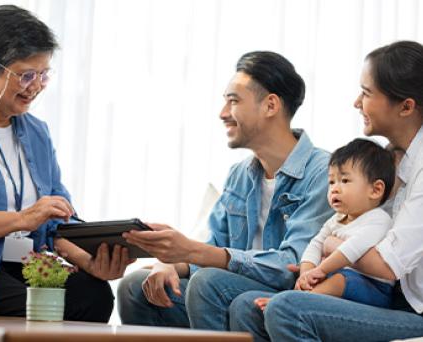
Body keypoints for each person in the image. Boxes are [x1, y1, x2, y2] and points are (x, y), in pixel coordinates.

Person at [117, 51, 333, 330]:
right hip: (226, 290)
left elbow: (291, 265)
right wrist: (172, 262)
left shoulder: (323, 172)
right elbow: (212, 247)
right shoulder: (240, 175)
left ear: (270, 105)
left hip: (281, 298)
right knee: (136, 285)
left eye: (233, 101)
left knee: (209, 283)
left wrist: (192, 252)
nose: (222, 113)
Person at [231, 40, 423, 342]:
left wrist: (330, 246)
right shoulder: (390, 159)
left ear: (406, 106)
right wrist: (312, 264)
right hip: (382, 293)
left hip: (413, 309)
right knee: (247, 306)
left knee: (287, 309)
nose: (357, 102)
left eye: (367, 93)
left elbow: (385, 266)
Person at [0, 5, 133, 321]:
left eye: (44, 74)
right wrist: (21, 219)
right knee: (40, 310)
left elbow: (56, 221)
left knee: (94, 294)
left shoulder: (36, 132)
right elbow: (31, 218)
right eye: (26, 75)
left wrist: (90, 260)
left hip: (27, 264)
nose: (36, 85)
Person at [254, 138, 395, 312]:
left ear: (375, 190)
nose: (334, 188)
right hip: (339, 275)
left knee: (340, 279)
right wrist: (307, 272)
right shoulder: (336, 218)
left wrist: (319, 270)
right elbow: (316, 244)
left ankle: (296, 300)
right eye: (331, 182)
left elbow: (351, 249)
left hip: (375, 289)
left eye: (344, 181)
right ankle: (296, 296)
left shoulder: (378, 219)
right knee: (321, 277)